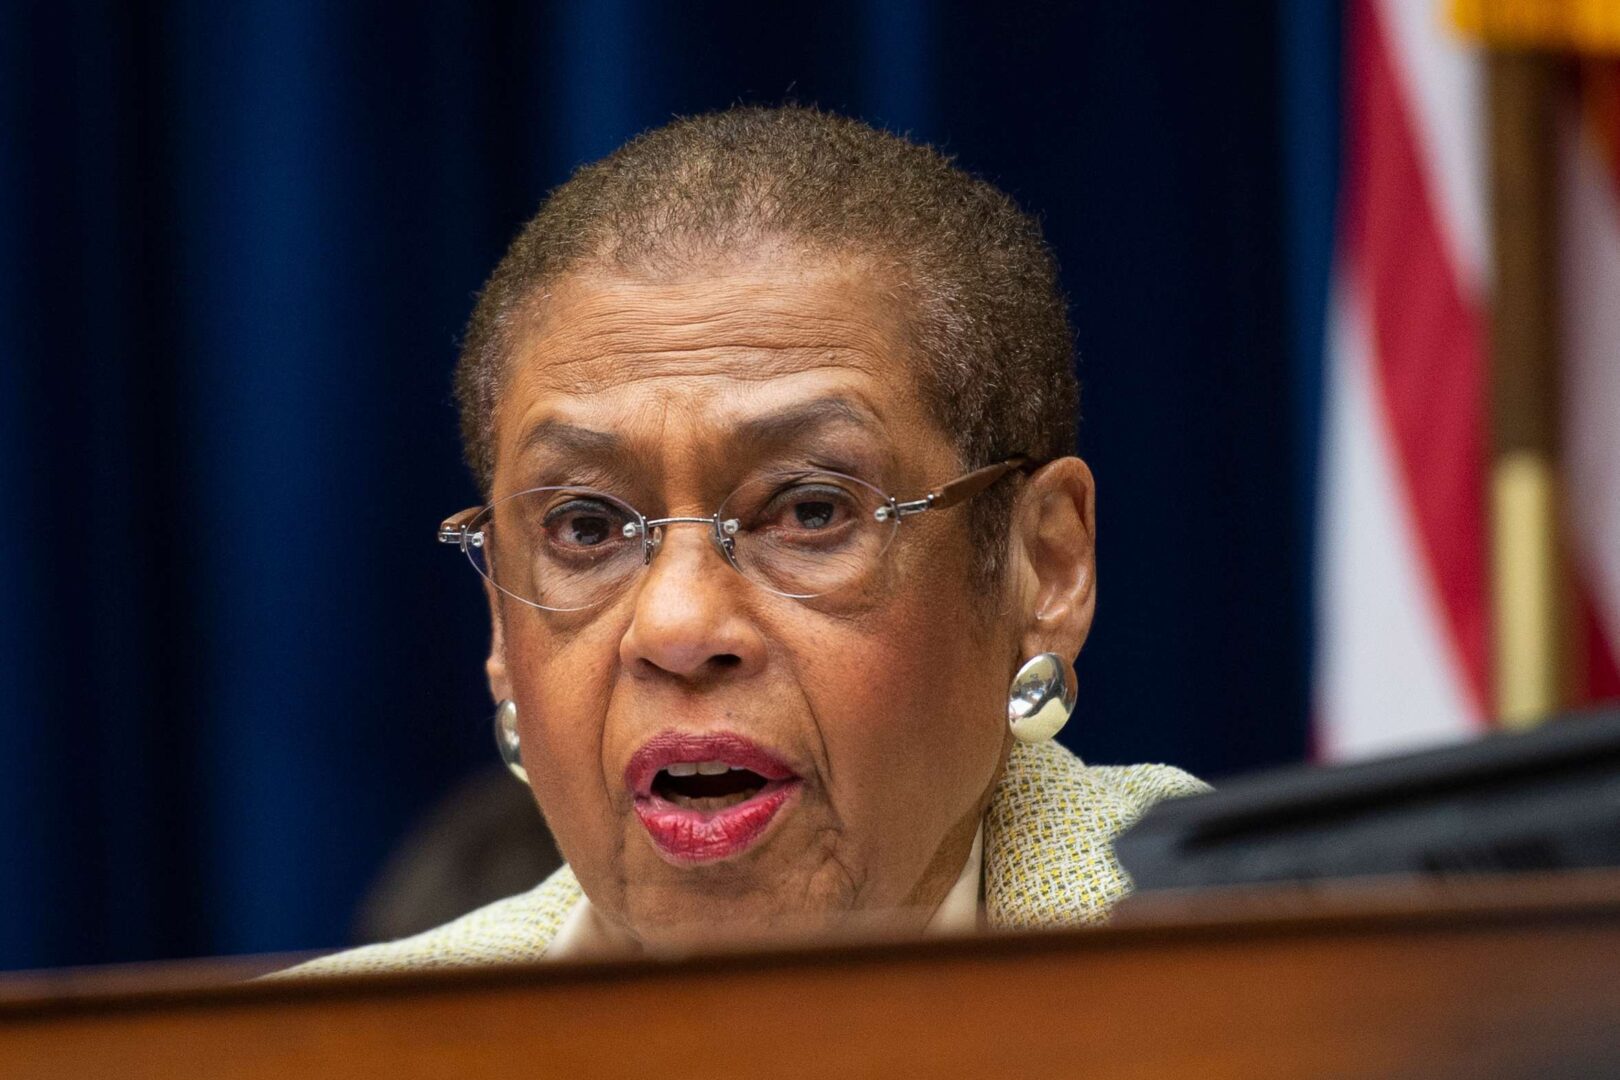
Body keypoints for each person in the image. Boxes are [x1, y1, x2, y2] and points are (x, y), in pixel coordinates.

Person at [284, 105, 1206, 974]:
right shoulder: (305, 1051)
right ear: (499, 623)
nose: (677, 627)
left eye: (810, 511)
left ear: (1043, 567)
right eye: (586, 527)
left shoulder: (1283, 981)